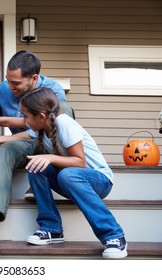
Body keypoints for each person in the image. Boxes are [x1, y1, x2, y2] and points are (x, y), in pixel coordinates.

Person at [0, 50, 75, 249]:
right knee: (6, 150)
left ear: (34, 78)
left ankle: (46, 175)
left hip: (47, 143)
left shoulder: (52, 90)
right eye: (8, 81)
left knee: (65, 108)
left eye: (16, 84)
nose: (10, 87)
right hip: (22, 143)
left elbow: (34, 129)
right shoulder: (5, 88)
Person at [20, 87, 127, 259]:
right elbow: (16, 132)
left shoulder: (64, 123)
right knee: (35, 166)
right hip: (72, 180)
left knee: (65, 174)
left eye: (25, 116)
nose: (23, 121)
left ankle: (113, 235)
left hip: (99, 180)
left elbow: (80, 162)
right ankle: (51, 228)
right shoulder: (42, 128)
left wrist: (51, 158)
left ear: (41, 116)